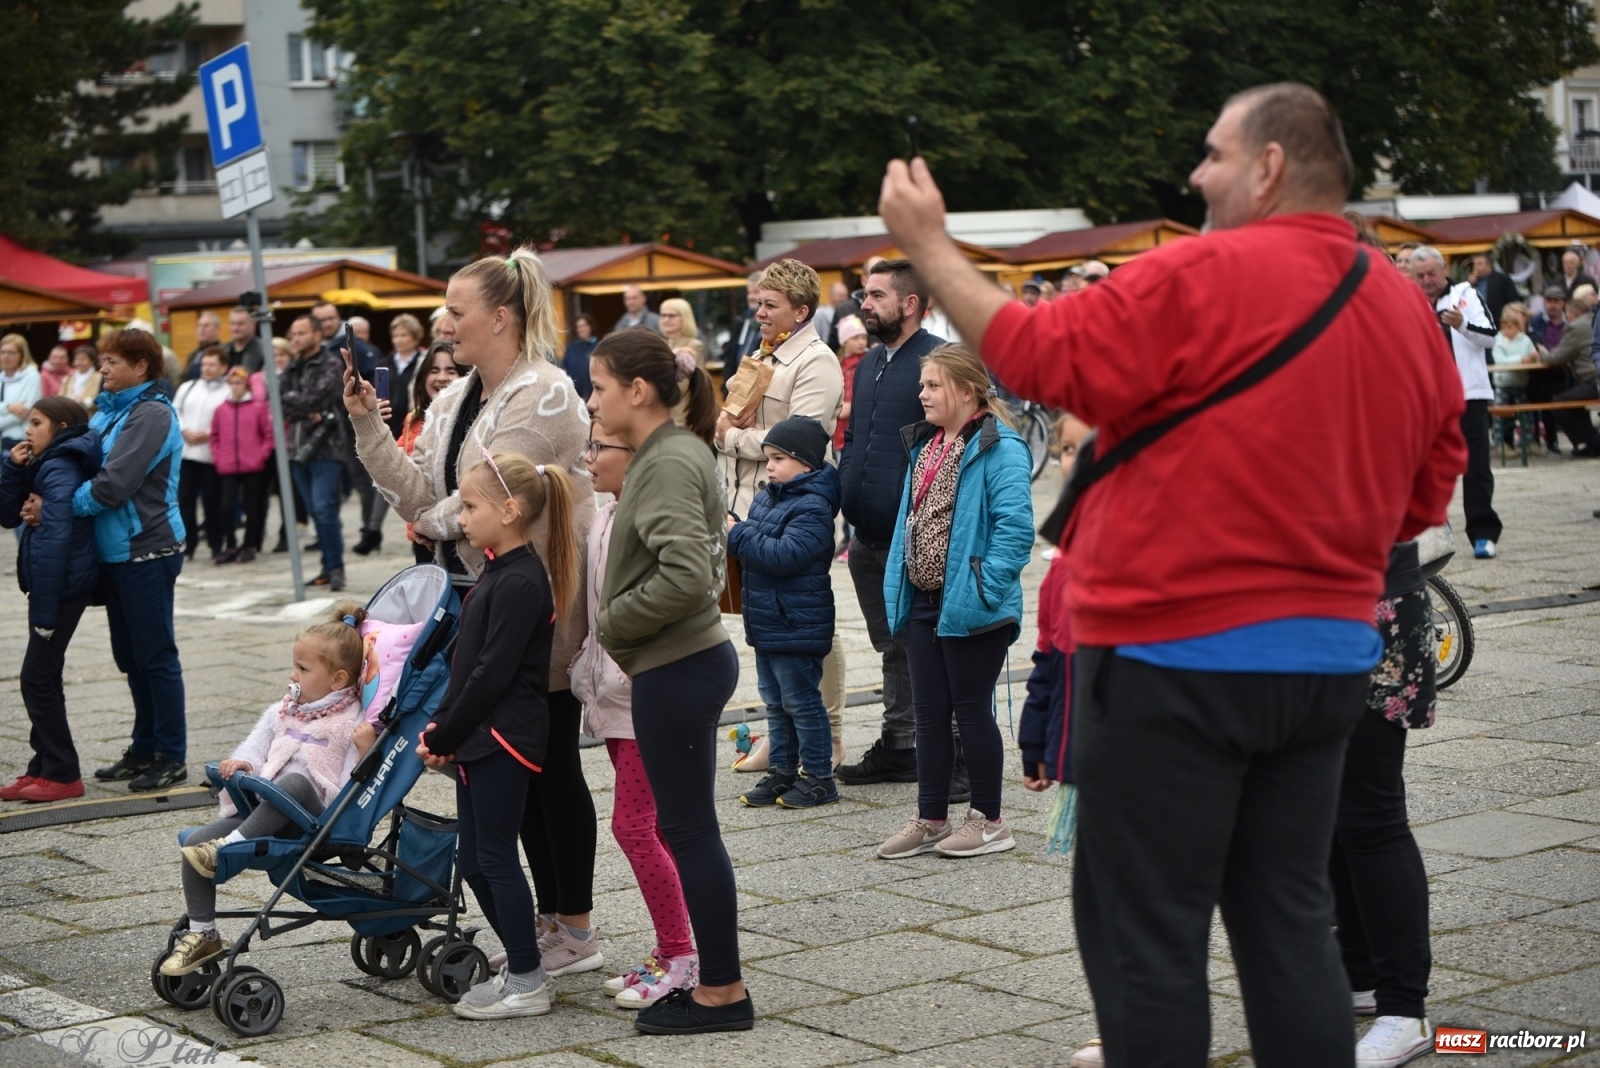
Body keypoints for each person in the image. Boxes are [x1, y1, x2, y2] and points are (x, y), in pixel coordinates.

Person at [876, 82, 1466, 1068]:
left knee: (1145, 940)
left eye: (1212, 153)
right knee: (1288, 926)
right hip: (1325, 666)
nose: (1195, 173)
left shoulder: (1202, 272)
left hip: (1170, 662)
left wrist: (930, 248)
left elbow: (1041, 353)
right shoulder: (1400, 303)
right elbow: (1424, 495)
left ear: (1270, 166)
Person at [345, 247, 600, 978]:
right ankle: (544, 921)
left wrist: (433, 517)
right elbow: (417, 495)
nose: (443, 323)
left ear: (501, 316)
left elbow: (474, 504)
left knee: (547, 768)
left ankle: (573, 927)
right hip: (467, 602)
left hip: (537, 599)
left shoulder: (544, 394)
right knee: (503, 771)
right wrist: (368, 425)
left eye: (456, 312)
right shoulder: (457, 397)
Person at [586, 329, 751, 1035]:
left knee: (689, 831)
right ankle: (718, 984)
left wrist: (616, 626)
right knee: (687, 830)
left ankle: (721, 992)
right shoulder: (667, 454)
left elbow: (690, 574)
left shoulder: (666, 461)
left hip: (678, 665)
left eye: (597, 387)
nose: (591, 402)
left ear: (637, 391)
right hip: (673, 666)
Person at [416, 450, 579, 1021]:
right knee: (478, 860)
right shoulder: (500, 566)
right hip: (480, 735)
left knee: (494, 857)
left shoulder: (520, 579)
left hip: (504, 737)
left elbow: (493, 672)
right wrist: (446, 726)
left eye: (469, 505)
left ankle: (529, 980)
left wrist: (444, 732)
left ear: (509, 511)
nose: (460, 516)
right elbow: (470, 662)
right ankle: (522, 960)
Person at [159, 603, 379, 978]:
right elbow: (254, 747)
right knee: (194, 844)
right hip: (264, 813)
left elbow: (350, 790)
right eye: (294, 666)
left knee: (294, 782)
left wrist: (364, 751)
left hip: (314, 817)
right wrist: (243, 763)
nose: (293, 675)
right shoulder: (282, 710)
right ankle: (203, 934)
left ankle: (226, 850)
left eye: (303, 669)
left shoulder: (350, 722)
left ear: (338, 679)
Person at [875, 345, 1033, 860]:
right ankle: (931, 818)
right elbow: (910, 522)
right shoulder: (926, 445)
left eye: (933, 385)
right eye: (922, 385)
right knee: (928, 713)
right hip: (925, 600)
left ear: (967, 391)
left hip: (971, 602)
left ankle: (990, 820)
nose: (921, 394)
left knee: (969, 711)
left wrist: (985, 586)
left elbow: (1016, 528)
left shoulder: (1000, 446)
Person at [574, 424, 700, 1008]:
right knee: (652, 827)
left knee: (635, 827)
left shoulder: (648, 515)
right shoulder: (606, 512)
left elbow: (672, 592)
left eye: (601, 448)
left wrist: (627, 664)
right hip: (614, 692)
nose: (589, 457)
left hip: (643, 690)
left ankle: (682, 954)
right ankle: (673, 945)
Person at [715, 258, 845, 771]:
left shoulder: (817, 361)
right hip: (751, 505)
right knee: (767, 624)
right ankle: (783, 730)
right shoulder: (763, 353)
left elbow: (802, 442)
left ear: (801, 310)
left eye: (770, 305)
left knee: (809, 624)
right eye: (759, 302)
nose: (760, 311)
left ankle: (828, 733)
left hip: (793, 510)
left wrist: (730, 438)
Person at [836, 260, 947, 788]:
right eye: (864, 293)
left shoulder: (936, 361)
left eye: (876, 295)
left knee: (923, 645)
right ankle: (900, 743)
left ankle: (949, 749)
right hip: (867, 535)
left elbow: (954, 443)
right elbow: (857, 436)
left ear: (909, 304)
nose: (865, 303)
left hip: (914, 534)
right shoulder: (873, 360)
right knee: (891, 646)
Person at [1332, 536, 1442, 1068]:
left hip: (1368, 611)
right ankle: (1359, 974)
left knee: (1370, 816)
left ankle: (1404, 1010)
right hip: (1305, 610)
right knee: (1330, 809)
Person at [65, 329, 191, 792]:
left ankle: (170, 754)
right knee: (131, 656)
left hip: (147, 549)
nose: (103, 369)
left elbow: (112, 485)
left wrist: (61, 503)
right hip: (116, 552)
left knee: (155, 655)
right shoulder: (111, 412)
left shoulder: (151, 414)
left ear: (142, 366)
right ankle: (143, 748)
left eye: (113, 361)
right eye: (102, 361)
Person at [728, 415, 842, 810]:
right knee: (775, 703)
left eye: (778, 459)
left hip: (796, 622)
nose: (770, 467)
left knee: (802, 703)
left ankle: (819, 777)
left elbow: (783, 555)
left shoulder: (813, 507)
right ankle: (782, 771)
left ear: (806, 463)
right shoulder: (768, 497)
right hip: (767, 621)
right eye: (768, 459)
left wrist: (737, 533)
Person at [0, 397, 100, 803]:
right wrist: (11, 468)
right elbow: (8, 516)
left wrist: (44, 611)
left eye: (36, 422)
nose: (28, 429)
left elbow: (57, 536)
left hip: (60, 586)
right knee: (43, 676)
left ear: (59, 427)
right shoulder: (45, 462)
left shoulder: (60, 465)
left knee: (36, 678)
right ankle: (42, 766)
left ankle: (62, 772)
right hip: (48, 584)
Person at [1411, 246, 1502, 559]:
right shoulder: (1410, 301)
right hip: (1426, 400)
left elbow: (1491, 336)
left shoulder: (1466, 293)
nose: (1426, 280)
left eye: (1431, 273)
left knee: (1476, 465)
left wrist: (1462, 323)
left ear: (1444, 268)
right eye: (1420, 275)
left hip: (1468, 394)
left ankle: (1484, 533)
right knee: (1427, 466)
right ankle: (1434, 528)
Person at [279, 315, 348, 589]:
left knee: (324, 509)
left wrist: (300, 404)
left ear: (317, 335)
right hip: (296, 450)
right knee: (314, 510)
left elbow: (315, 397)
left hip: (326, 449)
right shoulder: (291, 369)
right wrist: (304, 408)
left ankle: (336, 567)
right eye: (293, 334)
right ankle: (327, 567)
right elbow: (281, 403)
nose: (295, 339)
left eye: (301, 333)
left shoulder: (330, 364)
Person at [397, 340, 465, 565]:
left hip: (462, 530)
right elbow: (399, 470)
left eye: (451, 370)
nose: (442, 377)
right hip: (422, 535)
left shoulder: (473, 418)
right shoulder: (413, 419)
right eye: (434, 370)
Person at [173, 346, 232, 561]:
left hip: (211, 455)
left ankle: (216, 544)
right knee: (185, 501)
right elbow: (175, 410)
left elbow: (228, 418)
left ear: (223, 367)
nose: (206, 369)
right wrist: (184, 429)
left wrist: (208, 433)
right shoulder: (188, 387)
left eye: (212, 364)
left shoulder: (227, 390)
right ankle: (188, 545)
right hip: (187, 454)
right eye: (204, 364)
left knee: (212, 501)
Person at [210, 367, 274, 564]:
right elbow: (215, 436)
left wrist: (260, 455)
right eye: (232, 383)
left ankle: (249, 545)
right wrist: (219, 457)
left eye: (238, 383)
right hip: (228, 465)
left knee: (251, 506)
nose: (235, 387)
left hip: (252, 464)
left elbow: (268, 435)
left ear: (245, 385)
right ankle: (230, 544)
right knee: (227, 505)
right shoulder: (221, 409)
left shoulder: (257, 407)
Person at [1550, 284, 1600, 455]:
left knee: (1559, 403)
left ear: (1575, 313)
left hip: (1594, 380)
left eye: (1567, 314)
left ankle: (1594, 440)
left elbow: (1556, 359)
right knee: (1574, 398)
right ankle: (1592, 443)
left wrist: (1540, 354)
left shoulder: (1575, 327)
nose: (1566, 317)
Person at [1526, 285, 1568, 453]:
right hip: (1539, 369)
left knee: (1555, 392)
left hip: (1561, 368)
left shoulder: (1569, 322)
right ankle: (1537, 440)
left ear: (1563, 303)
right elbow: (1531, 341)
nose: (1552, 305)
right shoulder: (1535, 322)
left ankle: (1553, 441)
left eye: (1556, 301)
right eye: (1549, 301)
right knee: (1538, 393)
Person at [1490, 302, 1537, 444]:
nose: (1507, 331)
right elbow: (1499, 360)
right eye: (1504, 327)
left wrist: (1534, 356)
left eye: (1510, 327)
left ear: (1518, 327)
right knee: (1501, 414)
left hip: (1519, 382)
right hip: (1503, 382)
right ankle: (1501, 443)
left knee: (1524, 414)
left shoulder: (1525, 339)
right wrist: (1520, 359)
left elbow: (1532, 352)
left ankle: (1528, 442)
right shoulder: (1499, 340)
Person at [831, 315, 869, 456]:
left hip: (857, 430)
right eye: (855, 338)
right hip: (837, 432)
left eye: (863, 337)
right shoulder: (836, 364)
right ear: (844, 341)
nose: (861, 342)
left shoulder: (867, 362)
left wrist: (852, 406)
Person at [1, 334, 43, 455]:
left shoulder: (31, 376)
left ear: (22, 355)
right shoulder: (1, 378)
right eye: (3, 352)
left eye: (11, 352)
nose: (5, 356)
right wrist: (8, 407)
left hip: (18, 439)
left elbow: (25, 412)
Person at [720, 273, 763, 382]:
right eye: (749, 292)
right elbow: (730, 355)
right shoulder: (742, 320)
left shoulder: (774, 323)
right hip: (736, 385)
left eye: (756, 292)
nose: (750, 297)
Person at [1468, 253, 1518, 327]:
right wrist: (1469, 284)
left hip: (1497, 323)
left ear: (1489, 265)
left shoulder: (1502, 279)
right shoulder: (1472, 282)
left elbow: (1513, 302)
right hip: (1477, 322)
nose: (1476, 268)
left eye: (1479, 264)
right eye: (1474, 265)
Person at [659, 298, 706, 368]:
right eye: (663, 315)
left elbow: (697, 376)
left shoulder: (694, 345)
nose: (666, 320)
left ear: (685, 317)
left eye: (672, 316)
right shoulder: (658, 343)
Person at [561, 313, 598, 400]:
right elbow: (564, 368)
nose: (581, 329)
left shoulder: (598, 346)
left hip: (594, 394)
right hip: (575, 395)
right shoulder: (572, 347)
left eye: (583, 326)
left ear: (590, 326)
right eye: (578, 327)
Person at [226, 305, 266, 373]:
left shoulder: (265, 350)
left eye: (240, 324)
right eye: (233, 323)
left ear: (253, 324)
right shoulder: (222, 350)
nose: (235, 328)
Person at [60, 346, 101, 410]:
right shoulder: (68, 378)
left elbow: (101, 399)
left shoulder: (99, 377)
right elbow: (60, 398)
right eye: (77, 359)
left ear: (92, 361)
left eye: (83, 359)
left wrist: (85, 401)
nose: (79, 362)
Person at [184, 312, 222, 378]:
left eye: (206, 325)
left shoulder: (224, 352)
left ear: (217, 330)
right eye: (199, 325)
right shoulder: (193, 355)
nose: (201, 329)